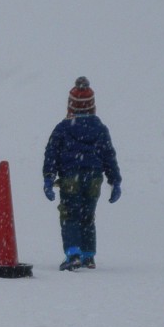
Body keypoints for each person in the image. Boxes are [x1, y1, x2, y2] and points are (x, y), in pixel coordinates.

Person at [41, 76, 122, 270]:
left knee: (70, 215)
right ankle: (88, 255)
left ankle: (73, 253)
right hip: (94, 178)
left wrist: (49, 178)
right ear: (92, 106)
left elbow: (51, 153)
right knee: (87, 215)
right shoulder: (100, 129)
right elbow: (108, 155)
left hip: (70, 177)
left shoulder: (62, 128)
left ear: (71, 105)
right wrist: (115, 181)